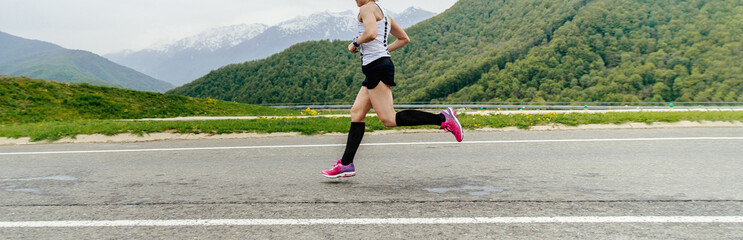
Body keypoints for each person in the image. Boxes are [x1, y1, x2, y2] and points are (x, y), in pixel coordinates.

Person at [321, 0, 463, 178]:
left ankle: (443, 118)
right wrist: (382, 50)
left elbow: (371, 34)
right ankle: (346, 163)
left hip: (376, 67)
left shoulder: (366, 8)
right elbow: (404, 38)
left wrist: (355, 44)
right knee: (357, 112)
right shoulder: (383, 12)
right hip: (378, 64)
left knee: (389, 119)